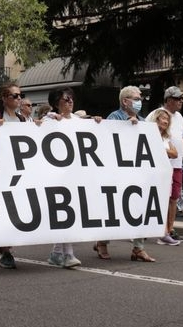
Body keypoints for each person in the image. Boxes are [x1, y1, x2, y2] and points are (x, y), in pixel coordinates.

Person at [95, 85, 156, 262]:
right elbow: (106, 142)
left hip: (138, 173)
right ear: (125, 101)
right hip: (117, 173)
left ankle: (138, 248)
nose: (139, 101)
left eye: (140, 99)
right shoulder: (114, 118)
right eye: (136, 99)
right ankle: (102, 242)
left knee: (139, 208)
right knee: (113, 208)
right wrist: (125, 126)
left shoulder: (144, 123)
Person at [43, 87, 91, 267]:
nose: (70, 101)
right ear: (56, 103)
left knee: (70, 211)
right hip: (58, 174)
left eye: (71, 98)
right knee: (64, 211)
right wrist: (51, 120)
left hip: (75, 173)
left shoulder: (78, 120)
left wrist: (97, 122)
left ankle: (57, 252)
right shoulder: (50, 119)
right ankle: (68, 253)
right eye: (65, 99)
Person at [0, 83, 30, 269]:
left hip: (18, 171)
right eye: (14, 96)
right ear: (4, 98)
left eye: (20, 95)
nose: (18, 99)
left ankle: (5, 247)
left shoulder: (23, 120)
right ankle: (4, 250)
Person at [147, 86, 183, 243]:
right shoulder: (155, 114)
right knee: (161, 197)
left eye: (181, 98)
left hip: (177, 163)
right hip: (161, 165)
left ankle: (170, 229)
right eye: (178, 99)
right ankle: (160, 230)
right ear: (169, 100)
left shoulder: (179, 117)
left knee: (174, 198)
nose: (181, 101)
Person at [148, 108, 181, 249]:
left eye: (168, 119)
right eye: (163, 118)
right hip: (151, 173)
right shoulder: (149, 134)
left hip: (163, 174)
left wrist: (162, 150)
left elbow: (175, 153)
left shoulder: (166, 138)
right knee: (149, 202)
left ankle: (164, 233)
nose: (166, 121)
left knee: (163, 202)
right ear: (156, 119)